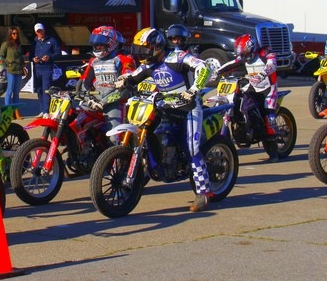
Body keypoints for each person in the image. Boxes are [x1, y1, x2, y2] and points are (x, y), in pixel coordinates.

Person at [116, 27, 213, 212]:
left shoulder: (177, 57)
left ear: (157, 46)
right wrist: (123, 81)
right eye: (139, 49)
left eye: (145, 49)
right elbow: (134, 76)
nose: (142, 53)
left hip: (189, 107)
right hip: (165, 107)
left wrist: (194, 90)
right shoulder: (148, 65)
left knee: (192, 148)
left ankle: (203, 192)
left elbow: (204, 67)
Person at [215, 34, 279, 162]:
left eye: (245, 52)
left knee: (269, 118)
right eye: (241, 53)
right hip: (253, 87)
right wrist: (217, 72)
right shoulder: (244, 57)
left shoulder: (265, 53)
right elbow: (232, 64)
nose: (243, 55)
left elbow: (272, 64)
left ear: (252, 47)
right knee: (239, 101)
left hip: (268, 89)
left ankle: (274, 153)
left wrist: (263, 74)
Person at [76, 26, 135, 142]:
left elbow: (127, 87)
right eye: (95, 45)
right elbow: (85, 83)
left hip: (116, 103)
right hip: (95, 101)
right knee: (76, 121)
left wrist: (104, 102)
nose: (97, 48)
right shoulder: (93, 61)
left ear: (111, 43)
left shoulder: (124, 59)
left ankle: (118, 152)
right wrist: (89, 98)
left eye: (100, 45)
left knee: (114, 138)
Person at [29, 23, 61, 117]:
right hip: (37, 68)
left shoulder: (52, 40)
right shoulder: (34, 42)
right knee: (39, 89)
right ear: (36, 32)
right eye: (38, 31)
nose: (40, 33)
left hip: (47, 68)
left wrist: (49, 57)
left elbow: (58, 53)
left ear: (44, 30)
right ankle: (42, 110)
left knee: (46, 89)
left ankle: (46, 111)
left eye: (41, 31)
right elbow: (30, 55)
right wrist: (33, 59)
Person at [0, 26, 25, 107]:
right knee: (9, 91)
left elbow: (20, 56)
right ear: (10, 34)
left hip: (18, 70)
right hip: (10, 70)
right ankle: (7, 109)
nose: (15, 35)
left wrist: (23, 65)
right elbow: (0, 57)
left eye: (17, 33)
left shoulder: (18, 44)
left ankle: (15, 110)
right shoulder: (5, 44)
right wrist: (7, 63)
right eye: (13, 33)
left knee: (16, 92)